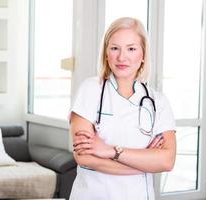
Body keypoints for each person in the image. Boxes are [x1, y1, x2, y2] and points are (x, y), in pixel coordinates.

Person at [69, 17, 176, 200]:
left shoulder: (158, 101)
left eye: (131, 49)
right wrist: (145, 162)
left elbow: (166, 161)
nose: (121, 57)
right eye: (115, 48)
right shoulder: (91, 90)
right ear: (106, 53)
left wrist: (111, 151)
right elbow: (84, 158)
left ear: (143, 55)